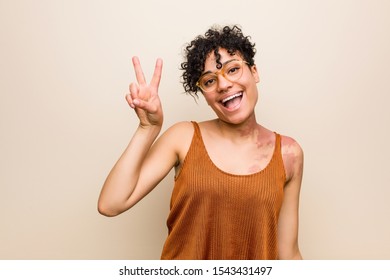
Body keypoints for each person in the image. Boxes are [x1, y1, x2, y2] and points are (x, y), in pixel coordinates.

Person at [98, 25, 304, 260]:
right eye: (209, 81)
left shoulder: (289, 153)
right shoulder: (183, 137)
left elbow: (289, 254)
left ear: (254, 72)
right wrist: (148, 128)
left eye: (233, 69)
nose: (223, 85)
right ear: (204, 95)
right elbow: (110, 204)